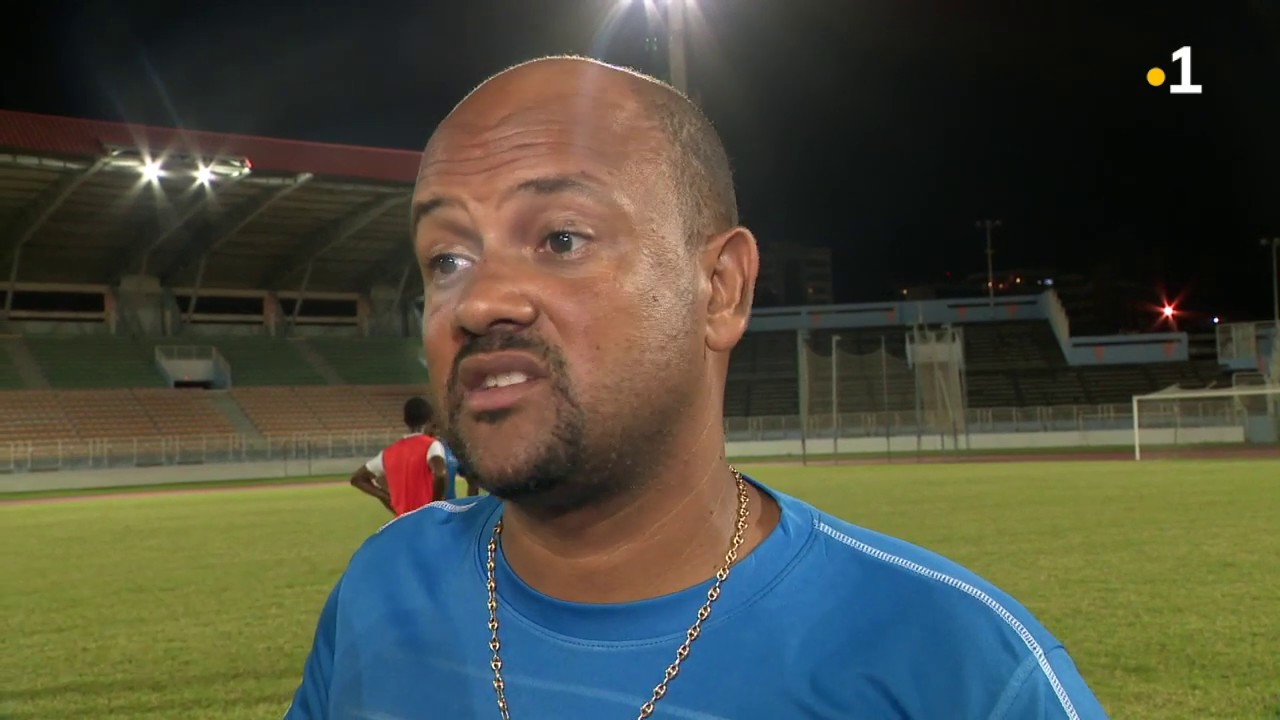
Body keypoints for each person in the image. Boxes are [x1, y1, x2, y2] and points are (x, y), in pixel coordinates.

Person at [286, 57, 1109, 719]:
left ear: (720, 289)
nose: (480, 301)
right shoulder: (382, 589)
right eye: (447, 258)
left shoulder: (957, 666)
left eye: (562, 239)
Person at [348, 397, 448, 516]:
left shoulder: (388, 453)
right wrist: (434, 505)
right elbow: (440, 473)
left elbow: (357, 479)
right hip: (427, 519)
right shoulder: (431, 445)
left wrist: (385, 496)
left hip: (403, 520)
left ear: (405, 421)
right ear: (430, 420)